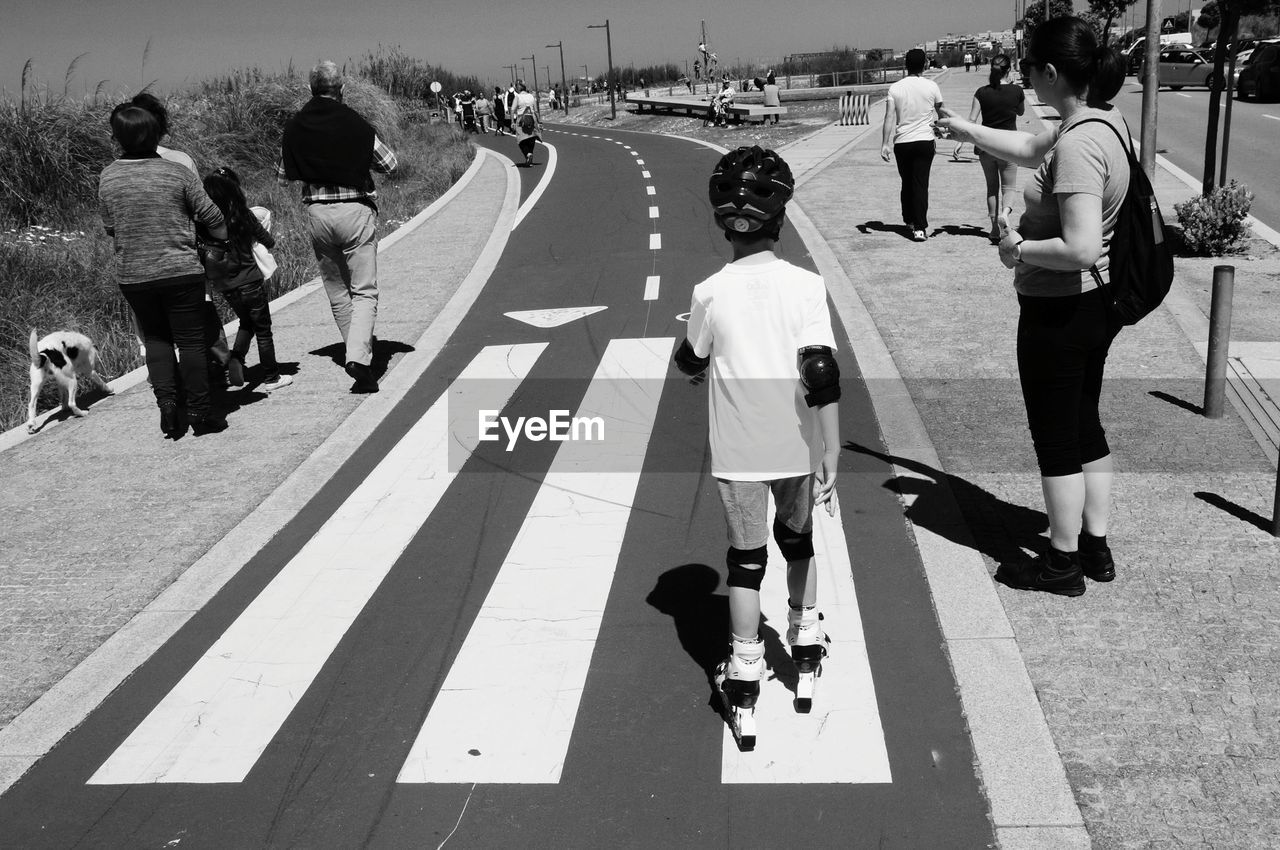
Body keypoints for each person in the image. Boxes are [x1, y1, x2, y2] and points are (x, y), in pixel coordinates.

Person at [938, 16, 1129, 595]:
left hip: (1060, 311)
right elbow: (1025, 147)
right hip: (1095, 305)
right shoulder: (1101, 121)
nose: (1023, 76)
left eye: (1028, 67)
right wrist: (967, 130)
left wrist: (1017, 247)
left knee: (1055, 439)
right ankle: (1095, 547)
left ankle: (1061, 563)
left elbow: (1079, 245)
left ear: (1050, 72)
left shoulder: (1078, 144)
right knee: (1084, 425)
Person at [673, 146, 841, 749]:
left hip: (738, 454)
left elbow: (691, 359)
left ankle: (744, 677)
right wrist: (832, 448)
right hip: (796, 446)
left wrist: (694, 358)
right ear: (780, 216)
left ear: (723, 220)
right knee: (798, 546)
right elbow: (818, 370)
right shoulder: (807, 285)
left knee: (746, 565)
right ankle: (805, 648)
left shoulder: (709, 292)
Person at [99, 105, 228, 436]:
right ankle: (200, 413)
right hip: (180, 270)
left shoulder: (109, 176)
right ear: (157, 135)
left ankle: (168, 409)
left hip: (134, 274)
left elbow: (110, 226)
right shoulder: (176, 172)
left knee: (156, 338)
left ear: (117, 138)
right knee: (191, 341)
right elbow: (212, 218)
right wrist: (220, 242)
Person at [278, 60, 397, 393]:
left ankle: (354, 353)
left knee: (337, 290)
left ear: (311, 89)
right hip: (354, 212)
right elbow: (389, 163)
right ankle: (358, 357)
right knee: (364, 290)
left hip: (318, 215)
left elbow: (282, 172)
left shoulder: (295, 125)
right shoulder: (354, 123)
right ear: (341, 89)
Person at [129, 92, 238, 387]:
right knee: (201, 322)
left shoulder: (116, 170)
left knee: (155, 334)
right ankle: (221, 371)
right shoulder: (179, 161)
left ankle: (164, 388)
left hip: (136, 266)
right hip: (181, 257)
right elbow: (203, 212)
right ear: (159, 124)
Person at [200, 167, 292, 392]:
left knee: (246, 321)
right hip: (250, 280)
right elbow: (269, 241)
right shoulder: (241, 213)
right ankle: (271, 377)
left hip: (225, 284)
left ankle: (236, 359)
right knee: (263, 329)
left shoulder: (203, 221)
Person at [880, 48, 946, 242]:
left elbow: (889, 117)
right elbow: (941, 113)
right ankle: (919, 227)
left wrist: (885, 144)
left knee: (907, 182)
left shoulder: (895, 88)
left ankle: (908, 218)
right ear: (925, 64)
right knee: (920, 184)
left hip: (903, 142)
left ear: (905, 65)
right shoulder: (932, 86)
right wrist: (944, 130)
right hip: (924, 141)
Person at [964, 54, 1025, 241]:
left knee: (991, 187)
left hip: (986, 146)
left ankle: (993, 228)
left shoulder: (981, 92)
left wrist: (963, 142)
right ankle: (1005, 215)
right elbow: (1021, 112)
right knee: (1009, 187)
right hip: (1008, 145)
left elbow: (972, 121)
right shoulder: (1016, 91)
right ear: (1008, 70)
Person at [510, 82, 540, 167]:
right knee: (531, 138)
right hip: (532, 118)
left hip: (521, 120)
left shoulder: (517, 97)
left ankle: (527, 154)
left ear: (519, 89)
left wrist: (512, 121)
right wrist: (539, 121)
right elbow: (536, 110)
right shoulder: (531, 96)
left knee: (521, 140)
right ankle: (530, 154)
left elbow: (512, 110)